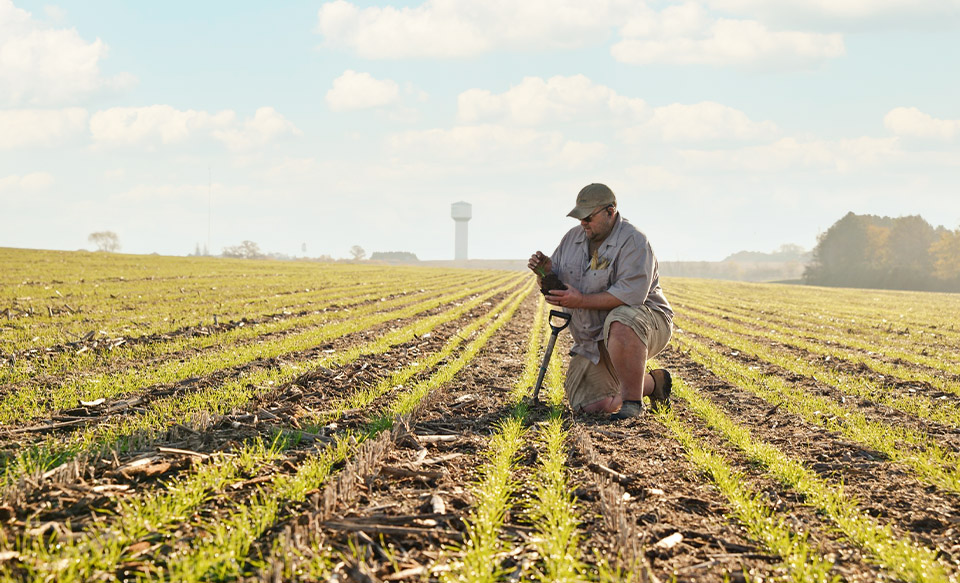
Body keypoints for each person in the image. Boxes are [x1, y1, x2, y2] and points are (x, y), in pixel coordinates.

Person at [528, 183, 673, 419]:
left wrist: (582, 300)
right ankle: (653, 383)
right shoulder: (572, 239)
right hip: (594, 337)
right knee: (593, 408)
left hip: (644, 324)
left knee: (621, 318)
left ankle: (632, 403)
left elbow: (631, 297)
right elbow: (557, 292)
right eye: (579, 218)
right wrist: (545, 275)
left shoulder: (634, 242)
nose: (583, 222)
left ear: (610, 211)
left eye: (588, 217)